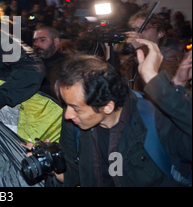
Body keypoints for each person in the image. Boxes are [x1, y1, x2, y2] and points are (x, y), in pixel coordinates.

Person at [53, 54, 191, 187]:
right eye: (66, 105)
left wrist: (159, 86)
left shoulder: (155, 121)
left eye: (76, 108)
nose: (67, 115)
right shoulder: (75, 125)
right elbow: (74, 175)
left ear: (107, 107)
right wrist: (51, 163)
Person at [33, 27, 66, 101]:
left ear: (56, 42)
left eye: (43, 40)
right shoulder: (31, 63)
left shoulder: (66, 66)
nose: (36, 44)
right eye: (35, 40)